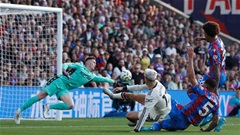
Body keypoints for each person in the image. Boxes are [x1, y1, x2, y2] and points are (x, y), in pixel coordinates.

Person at [14, 56, 115, 124]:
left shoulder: (92, 76)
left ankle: (48, 106)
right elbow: (66, 64)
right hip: (58, 81)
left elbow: (103, 79)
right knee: (41, 96)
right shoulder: (80, 66)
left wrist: (114, 82)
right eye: (93, 62)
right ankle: (19, 111)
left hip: (64, 88)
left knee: (70, 105)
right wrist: (64, 69)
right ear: (88, 63)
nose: (95, 64)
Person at [141, 46, 220, 132]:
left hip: (180, 114)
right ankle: (149, 127)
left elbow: (191, 77)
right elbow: (215, 122)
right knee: (160, 124)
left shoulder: (203, 92)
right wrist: (206, 130)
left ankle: (144, 115)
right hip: (183, 125)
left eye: (204, 84)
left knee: (165, 97)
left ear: (207, 86)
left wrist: (190, 58)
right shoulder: (216, 102)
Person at [103, 68, 171, 132]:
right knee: (133, 96)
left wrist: (136, 129)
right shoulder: (155, 82)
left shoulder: (153, 94)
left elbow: (145, 113)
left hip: (157, 114)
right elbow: (139, 87)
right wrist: (123, 88)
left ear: (146, 79)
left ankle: (136, 122)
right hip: (162, 106)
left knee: (129, 115)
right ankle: (113, 96)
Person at [190, 21, 227, 131]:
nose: (204, 34)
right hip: (221, 74)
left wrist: (215, 87)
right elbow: (209, 38)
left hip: (214, 76)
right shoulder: (218, 39)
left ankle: (210, 115)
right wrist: (201, 39)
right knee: (207, 97)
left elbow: (216, 70)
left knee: (191, 91)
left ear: (207, 33)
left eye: (204, 33)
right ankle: (218, 118)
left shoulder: (214, 49)